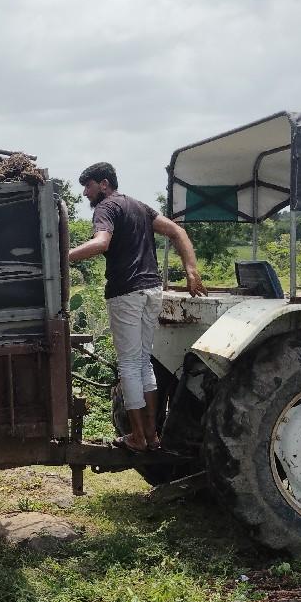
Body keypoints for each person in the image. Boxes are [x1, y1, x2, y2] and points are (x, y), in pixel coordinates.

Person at [68, 162, 208, 453]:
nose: (84, 193)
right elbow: (177, 232)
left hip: (126, 293)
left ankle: (138, 437)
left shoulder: (106, 208)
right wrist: (191, 271)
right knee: (144, 362)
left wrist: (63, 256)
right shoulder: (139, 206)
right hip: (152, 290)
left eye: (88, 186)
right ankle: (152, 437)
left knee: (129, 365)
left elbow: (101, 243)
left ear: (104, 184)